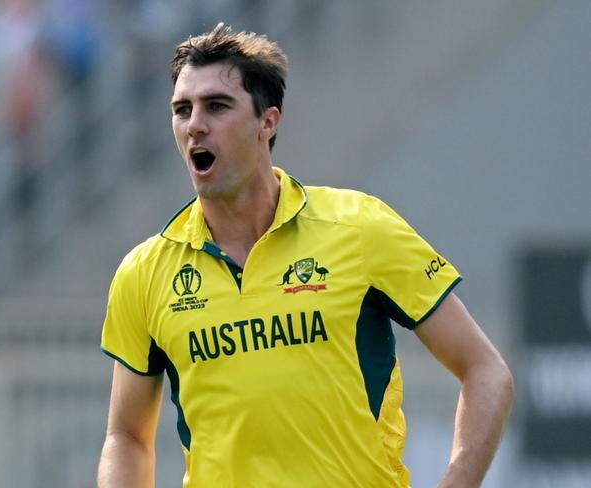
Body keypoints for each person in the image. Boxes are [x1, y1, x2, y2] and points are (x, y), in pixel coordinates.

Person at [98, 23, 514, 488]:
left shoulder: (359, 228)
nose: (194, 123)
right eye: (182, 109)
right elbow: (127, 436)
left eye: (216, 106)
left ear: (268, 122)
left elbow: (487, 373)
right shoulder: (144, 272)